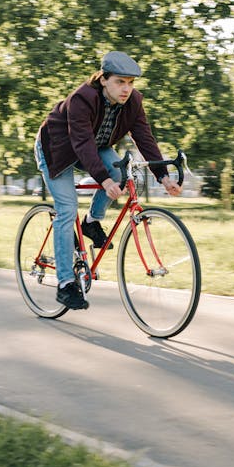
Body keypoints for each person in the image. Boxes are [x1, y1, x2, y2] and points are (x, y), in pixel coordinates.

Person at [34, 51, 182, 309]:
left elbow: (144, 138)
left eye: (131, 83)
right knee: (67, 210)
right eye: (120, 82)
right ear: (103, 79)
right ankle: (65, 284)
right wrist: (102, 180)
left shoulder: (133, 102)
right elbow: (80, 141)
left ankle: (92, 222)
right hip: (56, 148)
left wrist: (163, 176)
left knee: (118, 174)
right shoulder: (83, 98)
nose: (126, 89)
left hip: (94, 146)